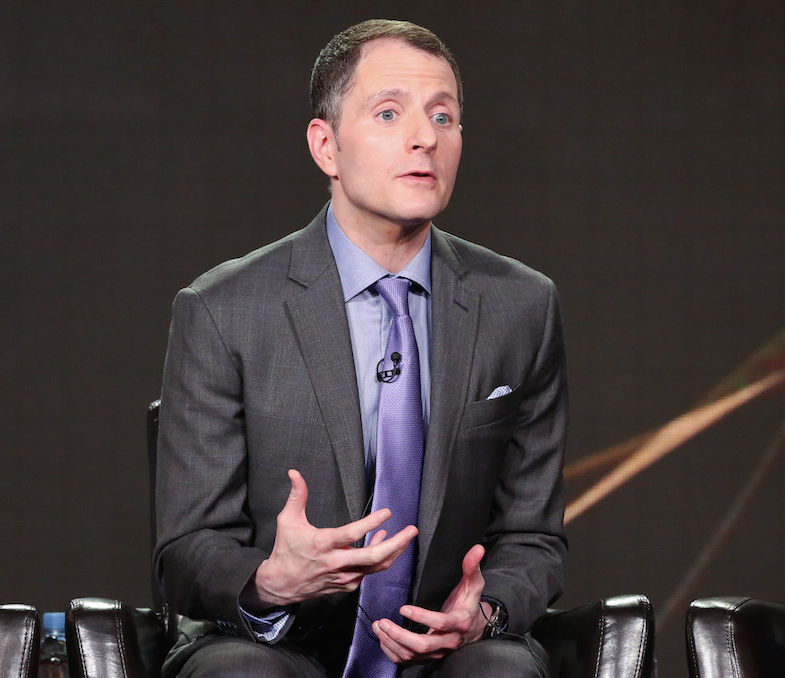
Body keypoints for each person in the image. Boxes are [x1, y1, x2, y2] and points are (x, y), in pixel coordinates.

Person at [154, 19, 567, 678]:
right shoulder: (223, 310)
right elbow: (187, 547)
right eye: (389, 113)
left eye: (443, 116)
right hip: (277, 643)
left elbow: (533, 537)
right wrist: (271, 582)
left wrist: (484, 611)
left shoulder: (521, 307)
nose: (425, 137)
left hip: (444, 646)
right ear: (327, 146)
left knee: (503, 670)